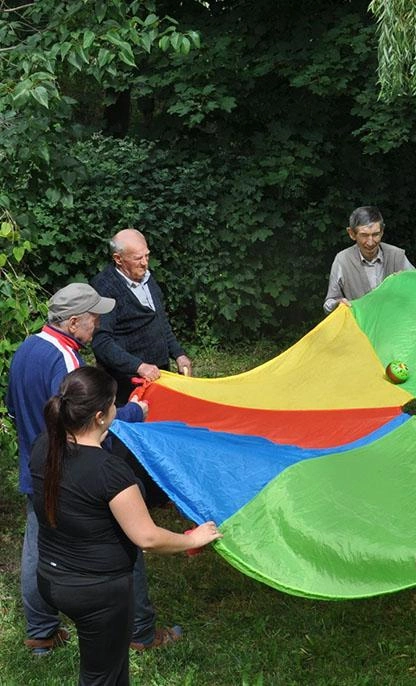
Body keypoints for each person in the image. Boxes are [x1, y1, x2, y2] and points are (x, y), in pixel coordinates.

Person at [31, 366, 222, 685]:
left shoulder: (44, 447)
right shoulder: (109, 472)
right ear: (100, 416)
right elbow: (147, 537)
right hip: (97, 593)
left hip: (52, 579)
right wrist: (193, 539)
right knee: (101, 676)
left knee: (112, 667)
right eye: (113, 403)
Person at [5, 283, 152, 655]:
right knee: (123, 541)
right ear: (73, 322)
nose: (98, 326)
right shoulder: (67, 362)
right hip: (73, 470)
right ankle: (139, 631)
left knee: (38, 549)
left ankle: (41, 631)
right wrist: (134, 410)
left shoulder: (25, 349)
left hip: (36, 467)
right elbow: (87, 421)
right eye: (93, 319)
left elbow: (12, 407)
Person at [91, 228, 192, 405]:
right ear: (118, 259)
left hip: (159, 376)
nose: (145, 263)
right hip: (127, 385)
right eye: (138, 258)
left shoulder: (147, 279)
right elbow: (102, 343)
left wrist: (178, 354)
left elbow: (159, 320)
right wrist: (139, 367)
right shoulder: (105, 288)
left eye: (147, 256)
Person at [323, 206, 415, 313]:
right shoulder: (342, 260)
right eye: (364, 235)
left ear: (382, 232)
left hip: (395, 325)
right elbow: (328, 304)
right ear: (352, 234)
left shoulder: (397, 255)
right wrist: (337, 303)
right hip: (360, 327)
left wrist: (406, 282)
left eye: (375, 234)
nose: (370, 242)